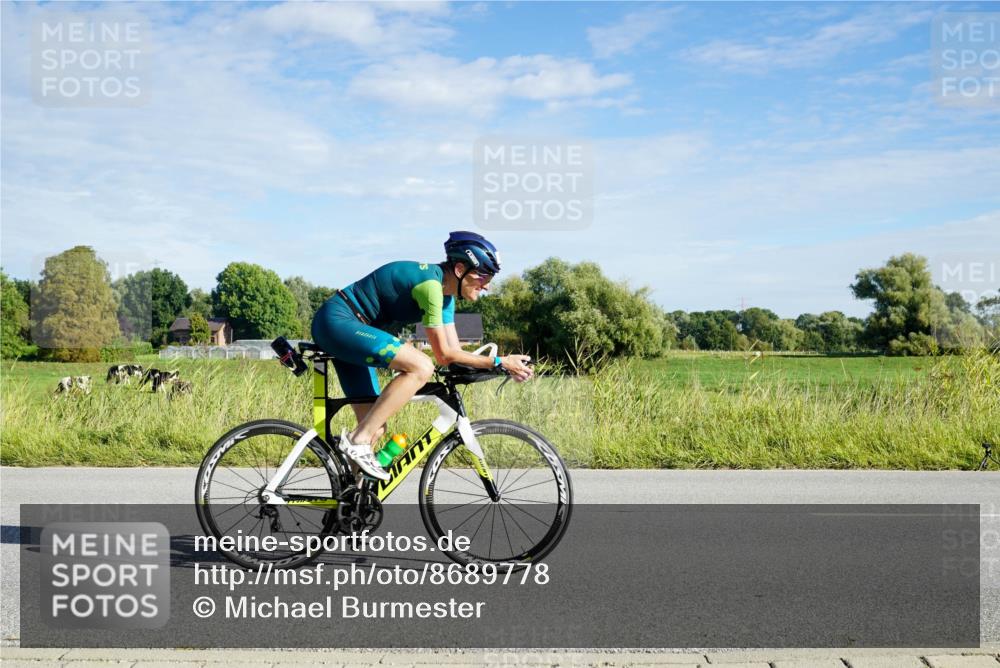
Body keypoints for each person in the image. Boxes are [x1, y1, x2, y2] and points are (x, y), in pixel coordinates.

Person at [311, 231, 534, 480]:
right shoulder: (431, 287)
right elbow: (443, 355)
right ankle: (357, 440)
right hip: (338, 323)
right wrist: (499, 361)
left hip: (354, 334)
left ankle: (350, 497)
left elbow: (455, 354)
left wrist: (502, 367)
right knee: (421, 366)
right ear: (460, 269)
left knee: (375, 427)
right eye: (483, 276)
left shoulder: (446, 298)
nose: (487, 285)